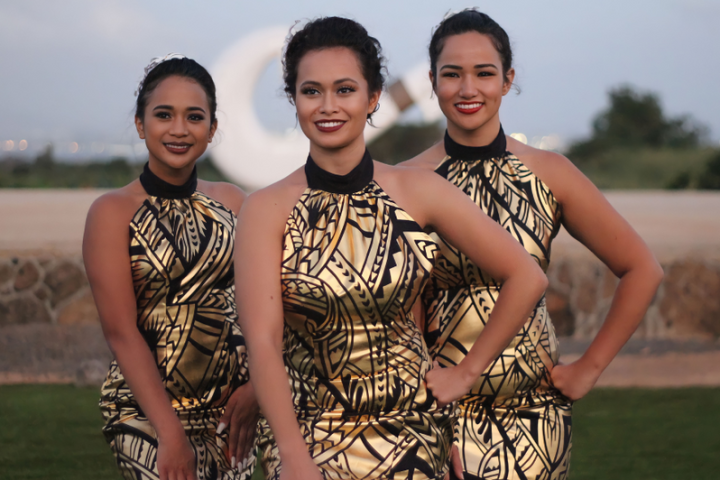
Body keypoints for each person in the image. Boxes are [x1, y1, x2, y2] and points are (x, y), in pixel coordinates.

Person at [233, 17, 550, 480]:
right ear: (293, 100)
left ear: (373, 97)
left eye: (345, 89)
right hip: (307, 434)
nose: (328, 106)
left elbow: (527, 276)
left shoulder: (419, 190)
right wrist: (292, 453)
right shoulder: (264, 209)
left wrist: (464, 374)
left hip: (413, 432)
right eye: (311, 91)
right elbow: (263, 341)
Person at [401, 9, 664, 480]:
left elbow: (642, 268)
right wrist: (427, 423)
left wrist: (589, 367)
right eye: (452, 74)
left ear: (507, 80)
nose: (468, 89)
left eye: (484, 73)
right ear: (432, 81)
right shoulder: (405, 183)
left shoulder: (550, 172)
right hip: (439, 415)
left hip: (535, 420)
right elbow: (402, 312)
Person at [84, 55, 258, 480]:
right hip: (147, 415)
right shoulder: (112, 212)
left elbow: (265, 308)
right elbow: (121, 333)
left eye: (194, 117)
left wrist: (256, 391)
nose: (179, 129)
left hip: (229, 414)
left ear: (212, 129)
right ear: (142, 125)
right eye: (164, 115)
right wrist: (171, 433)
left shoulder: (235, 202)